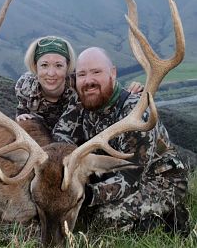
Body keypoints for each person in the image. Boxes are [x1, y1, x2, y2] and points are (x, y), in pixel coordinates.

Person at [52, 47, 189, 234]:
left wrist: (87, 194)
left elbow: (131, 177)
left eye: (96, 72)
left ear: (113, 73)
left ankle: (170, 221)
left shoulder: (135, 114)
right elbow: (61, 137)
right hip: (112, 175)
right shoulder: (80, 102)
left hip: (158, 181)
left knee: (102, 221)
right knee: (79, 214)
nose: (88, 80)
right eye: (82, 74)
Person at [15, 36, 143, 131]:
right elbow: (22, 110)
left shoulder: (79, 83)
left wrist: (126, 93)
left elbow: (103, 87)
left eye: (59, 65)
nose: (51, 73)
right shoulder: (24, 86)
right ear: (35, 66)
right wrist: (21, 119)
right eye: (44, 65)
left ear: (68, 67)